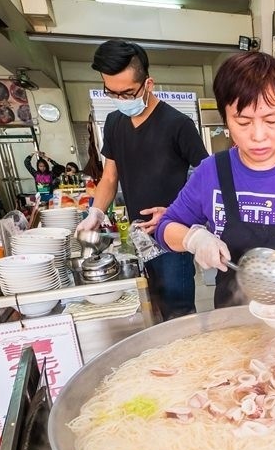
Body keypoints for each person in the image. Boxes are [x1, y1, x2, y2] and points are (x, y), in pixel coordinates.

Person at [157, 52, 275, 308]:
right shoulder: (211, 171)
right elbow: (166, 227)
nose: (258, 135)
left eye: (271, 120)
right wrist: (195, 239)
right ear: (226, 119)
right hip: (231, 323)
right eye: (243, 121)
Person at [79, 39, 209, 321]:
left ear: (148, 84)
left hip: (172, 232)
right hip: (138, 234)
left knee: (179, 311)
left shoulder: (177, 124)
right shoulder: (114, 122)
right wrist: (95, 211)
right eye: (111, 92)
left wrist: (178, 214)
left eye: (127, 93)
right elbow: (110, 176)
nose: (120, 100)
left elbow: (207, 177)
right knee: (152, 305)